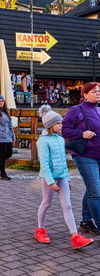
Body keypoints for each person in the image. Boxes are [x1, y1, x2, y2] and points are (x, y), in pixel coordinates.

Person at [35, 105, 93, 249]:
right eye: (59, 123)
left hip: (61, 177)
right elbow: (44, 164)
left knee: (67, 205)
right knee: (46, 203)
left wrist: (67, 178)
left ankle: (75, 237)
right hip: (50, 178)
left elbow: (63, 161)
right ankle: (40, 230)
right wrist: (50, 182)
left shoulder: (61, 140)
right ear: (50, 125)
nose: (62, 125)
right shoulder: (43, 141)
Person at [62, 82, 100, 234]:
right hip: (85, 156)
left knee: (92, 189)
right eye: (94, 91)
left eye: (99, 91)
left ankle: (86, 221)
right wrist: (81, 134)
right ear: (85, 94)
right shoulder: (76, 110)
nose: (98, 93)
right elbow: (65, 130)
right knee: (96, 192)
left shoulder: (98, 109)